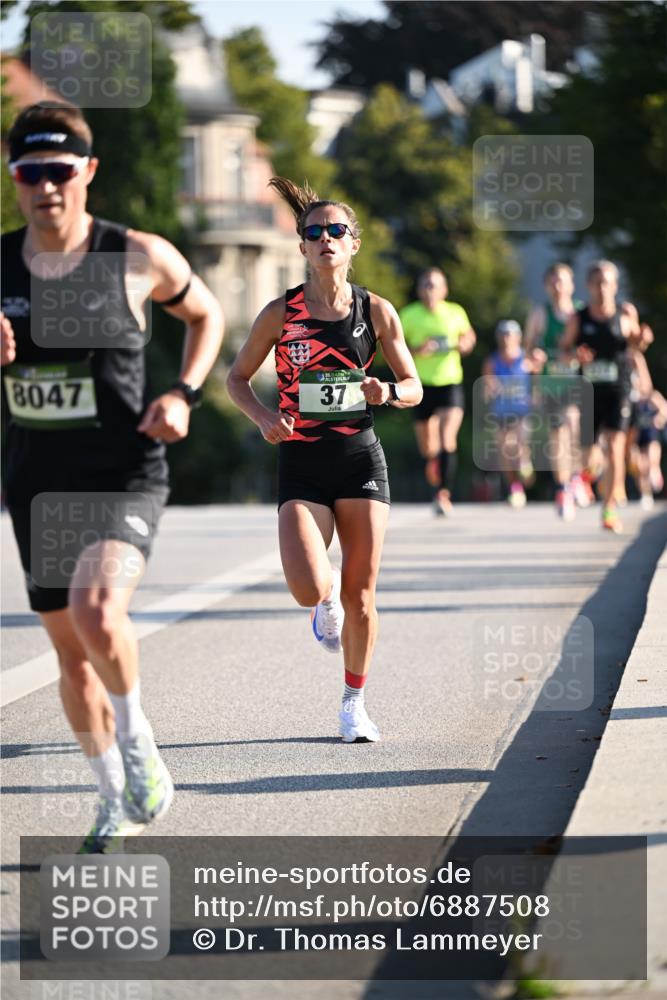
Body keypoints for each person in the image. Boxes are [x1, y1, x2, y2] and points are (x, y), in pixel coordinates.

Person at [1, 102, 224, 851]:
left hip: (123, 470)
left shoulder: (135, 256)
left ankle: (140, 751)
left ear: (87, 172)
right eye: (30, 172)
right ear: (15, 179)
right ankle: (112, 800)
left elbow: (207, 317)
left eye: (60, 171)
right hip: (36, 477)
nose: (46, 187)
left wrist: (184, 392)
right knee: (71, 656)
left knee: (98, 614)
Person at [227, 177, 422, 743]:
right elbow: (237, 379)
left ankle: (353, 703)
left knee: (363, 595)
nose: (326, 239)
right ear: (303, 247)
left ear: (353, 243)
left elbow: (413, 384)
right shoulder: (279, 313)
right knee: (311, 587)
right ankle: (322, 603)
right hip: (302, 461)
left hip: (360, 457)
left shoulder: (376, 311)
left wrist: (388, 392)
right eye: (315, 233)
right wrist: (264, 418)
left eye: (337, 230)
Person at [561, 261, 648, 533]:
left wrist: (643, 338)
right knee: (589, 456)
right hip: (587, 392)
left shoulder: (624, 315)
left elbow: (637, 345)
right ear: (588, 286)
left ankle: (609, 508)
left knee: (615, 448)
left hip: (618, 392)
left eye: (607, 283)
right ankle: (584, 477)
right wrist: (575, 356)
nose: (602, 288)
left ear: (615, 286)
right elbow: (563, 351)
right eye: (597, 283)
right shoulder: (579, 318)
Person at [399, 268, 476, 515]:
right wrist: (418, 350)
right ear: (419, 289)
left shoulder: (455, 312)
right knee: (428, 446)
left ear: (444, 289)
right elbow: (395, 350)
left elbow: (468, 338)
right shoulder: (409, 315)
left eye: (435, 285)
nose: (430, 290)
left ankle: (443, 493)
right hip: (420, 386)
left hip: (450, 382)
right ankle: (435, 464)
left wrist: (464, 344)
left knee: (446, 437)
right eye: (426, 285)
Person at [525, 263, 586, 521]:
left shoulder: (582, 313)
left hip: (580, 383)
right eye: (553, 281)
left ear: (572, 285)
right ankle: (563, 488)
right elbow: (527, 349)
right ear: (547, 286)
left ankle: (576, 477)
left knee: (578, 436)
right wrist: (534, 355)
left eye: (563, 280)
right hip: (551, 385)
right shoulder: (540, 314)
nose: (558, 286)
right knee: (559, 431)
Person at [482, 320, 545, 509]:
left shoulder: (526, 359)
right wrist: (492, 388)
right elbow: (488, 384)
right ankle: (515, 488)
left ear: (518, 337)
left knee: (519, 445)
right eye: (503, 334)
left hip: (521, 412)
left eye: (510, 334)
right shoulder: (492, 361)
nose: (506, 338)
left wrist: (536, 395)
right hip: (500, 412)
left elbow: (537, 379)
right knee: (505, 450)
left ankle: (525, 461)